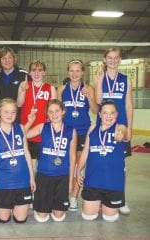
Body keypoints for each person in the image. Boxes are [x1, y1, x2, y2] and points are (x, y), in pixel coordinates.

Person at [94, 48, 133, 215]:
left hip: (120, 126)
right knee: (102, 163)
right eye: (109, 58)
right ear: (104, 59)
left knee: (120, 165)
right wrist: (99, 80)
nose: (113, 60)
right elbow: (97, 102)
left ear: (120, 59)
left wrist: (129, 129)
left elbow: (128, 105)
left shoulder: (126, 79)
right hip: (102, 126)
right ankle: (103, 197)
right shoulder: (99, 77)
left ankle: (121, 198)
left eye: (116, 58)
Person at [0, 98, 36, 224]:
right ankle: (3, 204)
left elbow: (26, 153)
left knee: (20, 219)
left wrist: (31, 178)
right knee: (3, 219)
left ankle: (16, 205)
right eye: (6, 111)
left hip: (23, 181)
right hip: (4, 183)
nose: (10, 115)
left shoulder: (21, 128)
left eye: (13, 112)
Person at [57, 59, 98, 211]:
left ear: (82, 72)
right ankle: (63, 193)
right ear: (68, 72)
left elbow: (95, 110)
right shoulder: (61, 89)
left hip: (82, 131)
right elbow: (57, 112)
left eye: (77, 71)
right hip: (66, 132)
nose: (74, 74)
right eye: (72, 71)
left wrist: (89, 97)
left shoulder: (89, 88)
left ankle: (74, 197)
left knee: (79, 166)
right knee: (66, 165)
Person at [76, 100, 127, 222]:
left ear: (117, 114)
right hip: (93, 182)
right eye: (105, 113)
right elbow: (85, 152)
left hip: (113, 184)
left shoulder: (120, 127)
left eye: (112, 113)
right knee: (88, 217)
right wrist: (78, 171)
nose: (108, 116)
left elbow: (123, 133)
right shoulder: (93, 129)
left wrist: (121, 134)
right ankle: (97, 204)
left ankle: (104, 205)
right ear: (99, 114)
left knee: (110, 219)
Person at [26, 99, 77, 222]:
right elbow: (23, 135)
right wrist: (30, 121)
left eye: (57, 111)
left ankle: (52, 204)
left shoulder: (71, 131)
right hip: (44, 177)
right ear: (46, 113)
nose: (54, 114)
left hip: (62, 177)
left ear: (63, 111)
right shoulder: (43, 127)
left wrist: (70, 182)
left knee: (59, 217)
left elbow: (73, 157)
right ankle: (41, 201)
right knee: (42, 217)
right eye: (50, 112)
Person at [17, 60, 57, 173]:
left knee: (42, 167)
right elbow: (19, 104)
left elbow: (54, 112)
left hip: (42, 133)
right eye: (33, 70)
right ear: (29, 73)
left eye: (40, 70)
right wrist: (22, 91)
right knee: (28, 166)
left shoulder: (50, 88)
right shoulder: (24, 85)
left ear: (44, 72)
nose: (36, 73)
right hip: (27, 131)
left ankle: (40, 190)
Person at [0, 47, 27, 122]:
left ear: (14, 59)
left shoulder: (24, 76)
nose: (7, 60)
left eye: (10, 57)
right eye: (4, 58)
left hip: (18, 119)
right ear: (0, 61)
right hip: (0, 120)